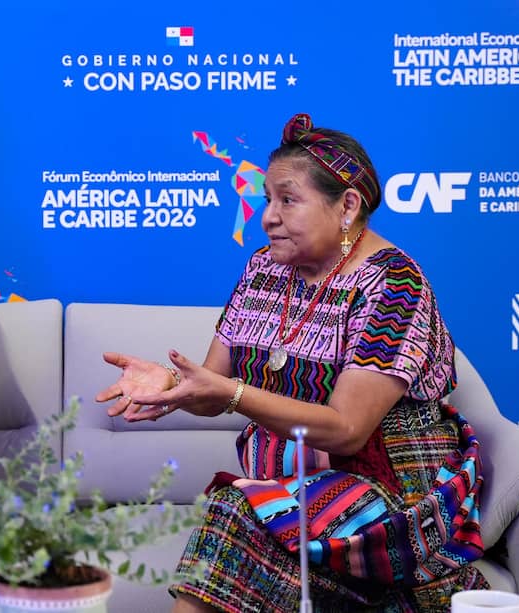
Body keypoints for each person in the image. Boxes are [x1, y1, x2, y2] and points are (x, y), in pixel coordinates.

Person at [97, 113, 488, 612]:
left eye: (288, 199)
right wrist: (173, 384)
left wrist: (232, 393)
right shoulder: (264, 269)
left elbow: (347, 429)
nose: (267, 217)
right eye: (267, 199)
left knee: (238, 511)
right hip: (295, 488)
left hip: (394, 494)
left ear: (347, 205)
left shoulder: (393, 285)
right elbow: (213, 389)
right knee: (249, 522)